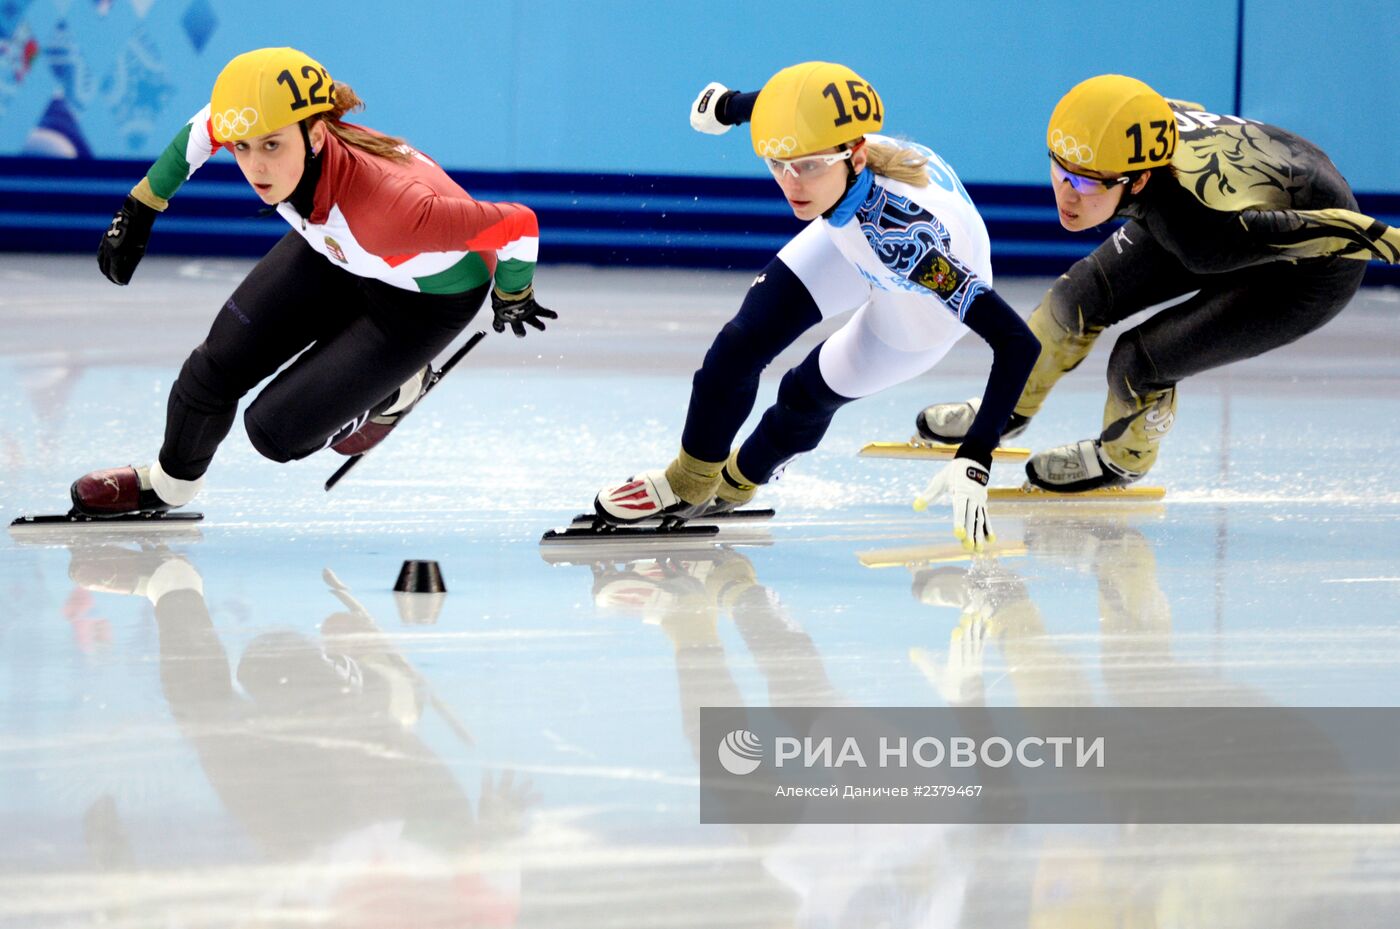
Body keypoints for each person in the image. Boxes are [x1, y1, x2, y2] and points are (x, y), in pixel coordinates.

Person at [70, 47, 554, 516]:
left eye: (272, 145)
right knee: (212, 370)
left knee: (274, 432)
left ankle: (399, 387)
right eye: (243, 146)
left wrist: (513, 293)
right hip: (338, 250)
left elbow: (516, 224)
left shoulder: (391, 210)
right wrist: (142, 205)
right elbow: (203, 129)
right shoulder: (268, 127)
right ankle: (169, 485)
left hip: (420, 302)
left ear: (317, 135)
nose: (256, 166)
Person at [594, 62, 1040, 551]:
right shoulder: (828, 146)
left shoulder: (911, 243)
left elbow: (1018, 342)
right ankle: (689, 482)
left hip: (916, 316)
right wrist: (728, 105)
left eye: (806, 166)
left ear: (857, 155)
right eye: (777, 165)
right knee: (741, 343)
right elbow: (780, 107)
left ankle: (741, 480)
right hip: (850, 234)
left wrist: (975, 453)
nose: (791, 184)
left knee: (804, 395)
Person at [916, 74, 1399, 491]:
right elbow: (1184, 111)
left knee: (1140, 361)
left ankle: (1122, 459)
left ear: (1139, 181)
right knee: (1073, 301)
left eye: (1085, 183)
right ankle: (1011, 408)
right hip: (1218, 207)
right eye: (1060, 170)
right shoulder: (1131, 145)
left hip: (1310, 268)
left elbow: (1347, 229)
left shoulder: (1202, 230)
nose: (1066, 194)